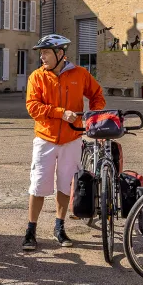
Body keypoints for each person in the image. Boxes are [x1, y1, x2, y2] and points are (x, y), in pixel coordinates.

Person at [23, 34, 106, 250]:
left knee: (65, 184)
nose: (42, 57)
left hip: (73, 139)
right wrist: (61, 113)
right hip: (45, 139)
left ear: (60, 54)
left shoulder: (80, 74)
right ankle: (31, 230)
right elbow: (33, 107)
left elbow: (97, 94)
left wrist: (94, 117)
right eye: (41, 53)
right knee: (38, 184)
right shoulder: (37, 77)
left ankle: (59, 227)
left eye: (46, 53)